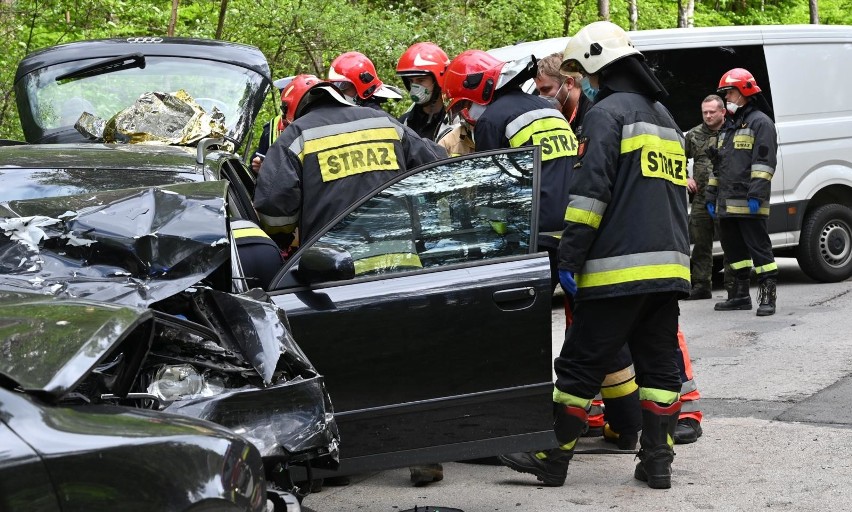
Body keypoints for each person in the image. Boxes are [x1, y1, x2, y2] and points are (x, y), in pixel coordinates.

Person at [499, 21, 690, 490]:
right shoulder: (665, 118)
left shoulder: (606, 116)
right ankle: (657, 462)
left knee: (580, 364)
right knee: (661, 366)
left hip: (616, 269)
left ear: (596, 65)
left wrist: (569, 258)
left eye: (583, 72)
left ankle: (551, 457)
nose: (583, 81)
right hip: (668, 270)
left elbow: (589, 198)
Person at [253, 74, 446, 249]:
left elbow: (273, 207)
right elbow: (437, 163)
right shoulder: (383, 122)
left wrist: (283, 240)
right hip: (400, 256)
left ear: (291, 109)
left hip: (333, 266)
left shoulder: (295, 136)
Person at [443, 49, 579, 291]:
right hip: (570, 229)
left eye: (465, 102)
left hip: (536, 236)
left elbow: (493, 191)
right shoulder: (547, 109)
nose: (466, 111)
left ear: (477, 91)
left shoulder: (492, 120)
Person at [706, 68, 778, 316]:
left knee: (760, 250)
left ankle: (768, 296)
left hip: (750, 202)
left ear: (745, 92)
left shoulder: (761, 123)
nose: (726, 98)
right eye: (725, 94)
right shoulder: (728, 126)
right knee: (734, 252)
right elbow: (719, 165)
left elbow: (764, 163)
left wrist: (756, 195)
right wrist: (710, 196)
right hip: (727, 204)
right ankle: (740, 295)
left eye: (730, 93)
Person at [683, 94, 726, 300]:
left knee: (730, 240)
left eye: (712, 112)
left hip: (726, 196)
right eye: (705, 112)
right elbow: (676, 156)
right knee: (700, 243)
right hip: (701, 197)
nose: (708, 116)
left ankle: (735, 285)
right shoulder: (693, 135)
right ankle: (701, 285)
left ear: (722, 112)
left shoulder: (732, 131)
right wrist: (685, 177)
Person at [396, 42, 450, 140]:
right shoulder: (403, 124)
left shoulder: (456, 123)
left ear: (438, 80)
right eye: (411, 81)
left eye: (421, 80)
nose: (415, 86)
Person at [534, 52, 589, 134]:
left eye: (546, 89)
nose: (541, 96)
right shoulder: (556, 117)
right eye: (539, 91)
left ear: (569, 83)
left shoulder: (591, 112)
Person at [328, 51, 402, 111]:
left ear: (364, 86)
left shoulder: (376, 117)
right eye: (334, 84)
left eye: (342, 85)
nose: (338, 91)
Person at [251, 77, 294, 175]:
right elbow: (259, 156)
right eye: (285, 106)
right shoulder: (271, 128)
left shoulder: (315, 124)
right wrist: (257, 165)